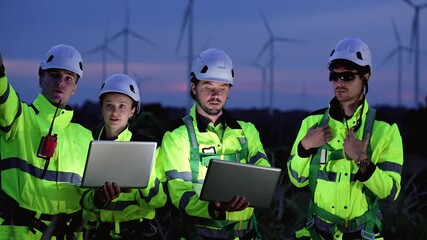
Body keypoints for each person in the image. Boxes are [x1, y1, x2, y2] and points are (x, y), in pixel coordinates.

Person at [287, 37, 404, 240]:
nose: (339, 82)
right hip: (316, 233)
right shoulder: (311, 123)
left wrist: (362, 160)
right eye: (334, 76)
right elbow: (297, 180)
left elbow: (391, 192)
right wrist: (305, 147)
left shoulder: (386, 129)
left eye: (348, 76)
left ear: (366, 76)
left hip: (362, 234)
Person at [157, 48, 271, 239]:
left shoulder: (247, 131)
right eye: (208, 87)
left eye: (222, 88)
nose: (216, 94)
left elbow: (264, 175)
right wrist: (212, 208)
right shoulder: (177, 137)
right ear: (194, 88)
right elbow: (180, 194)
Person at [0, 44, 93, 239]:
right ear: (41, 78)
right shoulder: (19, 117)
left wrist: (100, 198)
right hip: (18, 232)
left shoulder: (85, 137)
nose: (61, 82)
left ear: (75, 87)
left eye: (69, 78)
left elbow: (88, 198)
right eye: (54, 75)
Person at [80, 73, 167, 240]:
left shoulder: (147, 149)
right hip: (98, 234)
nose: (115, 112)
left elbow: (158, 201)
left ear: (132, 111)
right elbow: (83, 201)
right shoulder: (87, 145)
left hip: (138, 234)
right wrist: (98, 199)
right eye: (109, 105)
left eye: (122, 106)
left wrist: (142, 176)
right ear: (102, 108)